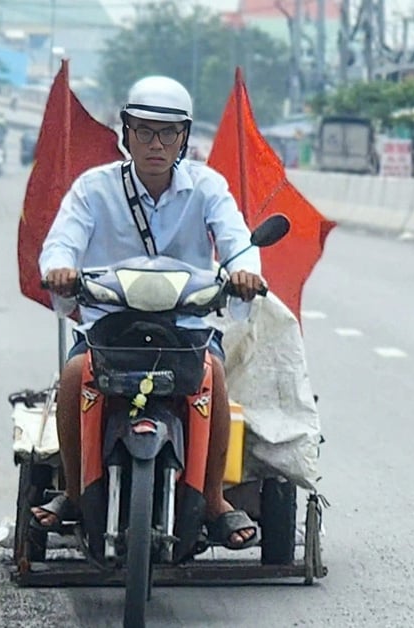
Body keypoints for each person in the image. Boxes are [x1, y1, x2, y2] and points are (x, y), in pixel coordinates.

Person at [32, 75, 266, 550]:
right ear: (126, 132)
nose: (155, 144)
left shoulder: (207, 187)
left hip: (185, 329)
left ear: (184, 137)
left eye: (167, 133)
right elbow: (62, 241)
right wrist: (59, 268)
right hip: (111, 327)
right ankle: (76, 495)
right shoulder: (92, 189)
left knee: (212, 376)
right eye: (144, 131)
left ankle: (215, 498)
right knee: (76, 375)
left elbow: (237, 241)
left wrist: (243, 272)